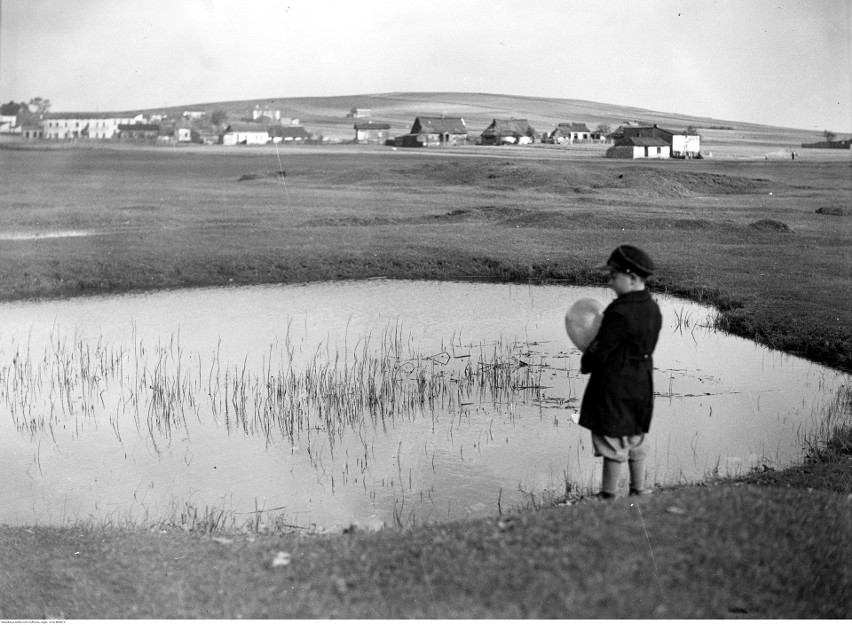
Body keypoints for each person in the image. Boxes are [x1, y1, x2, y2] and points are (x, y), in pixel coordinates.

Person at [579, 245, 662, 499]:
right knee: (635, 436)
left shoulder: (619, 312)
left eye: (614, 277)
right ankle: (639, 489)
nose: (611, 283)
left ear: (633, 278)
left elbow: (602, 351)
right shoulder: (652, 307)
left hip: (615, 383)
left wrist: (587, 361)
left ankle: (609, 495)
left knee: (612, 439)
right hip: (642, 380)